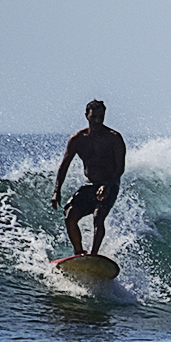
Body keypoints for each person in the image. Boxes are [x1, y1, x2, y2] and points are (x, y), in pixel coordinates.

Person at [51, 100, 127, 256]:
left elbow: (120, 168)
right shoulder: (78, 139)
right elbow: (64, 166)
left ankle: (93, 255)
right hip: (90, 184)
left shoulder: (114, 138)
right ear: (87, 116)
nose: (98, 120)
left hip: (110, 184)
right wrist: (56, 191)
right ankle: (79, 253)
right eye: (94, 117)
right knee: (70, 215)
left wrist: (108, 186)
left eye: (101, 116)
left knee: (98, 216)